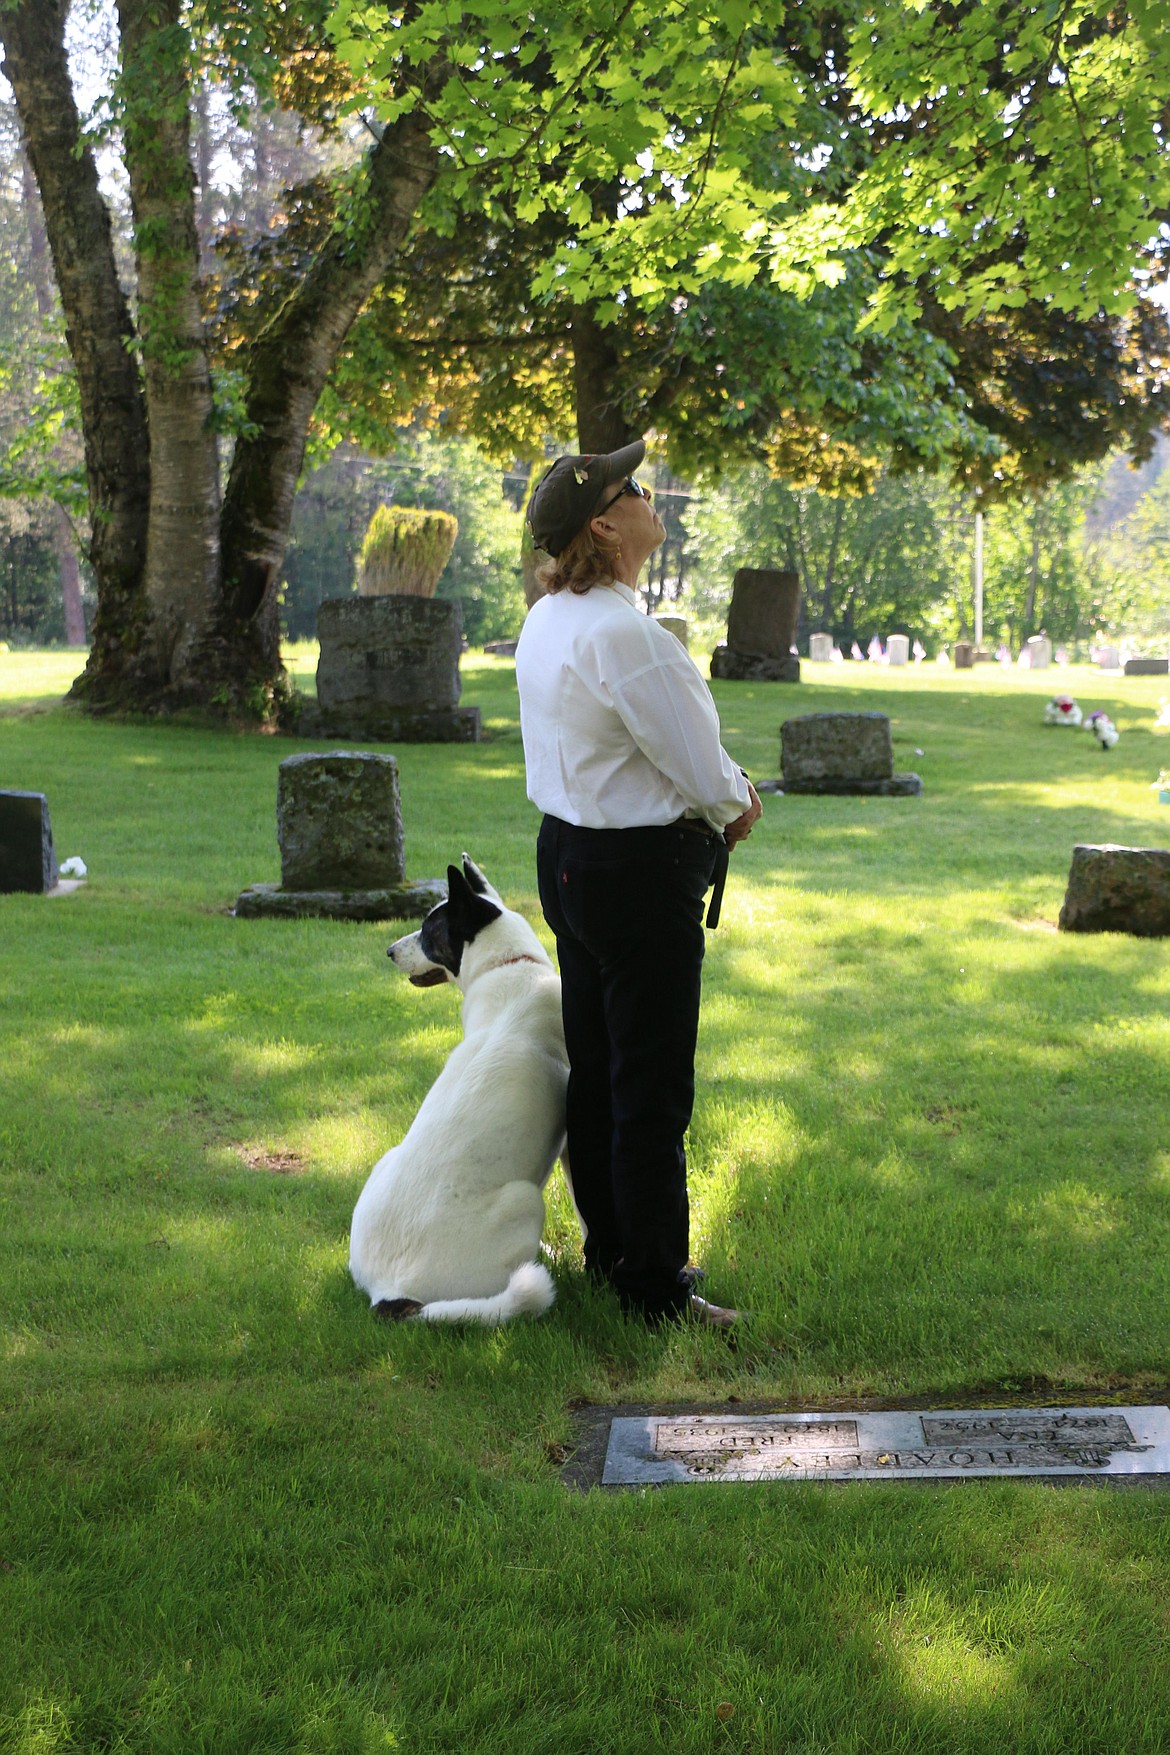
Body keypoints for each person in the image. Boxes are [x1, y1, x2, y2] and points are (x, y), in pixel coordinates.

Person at [514, 440, 762, 1328]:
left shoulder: (550, 618)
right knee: (650, 1084)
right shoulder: (629, 634)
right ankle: (654, 1285)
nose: (654, 497)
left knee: (600, 1068)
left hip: (570, 859)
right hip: (635, 871)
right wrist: (737, 801)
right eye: (636, 489)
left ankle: (611, 1252)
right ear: (605, 525)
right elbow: (698, 764)